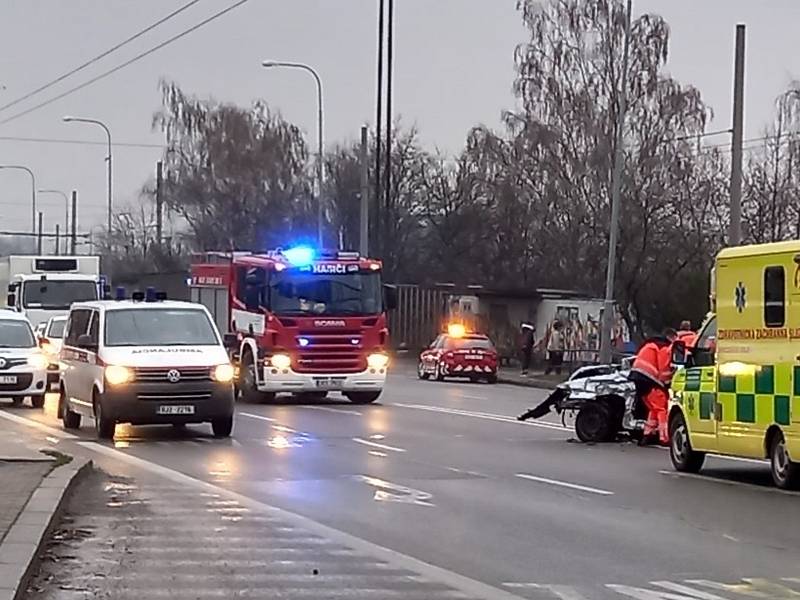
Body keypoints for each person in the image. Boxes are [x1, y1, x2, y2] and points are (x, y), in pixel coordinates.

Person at [628, 328, 677, 445]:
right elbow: (663, 371)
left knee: (654, 408)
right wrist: (672, 376)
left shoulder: (652, 344)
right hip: (650, 379)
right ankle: (664, 437)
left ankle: (647, 434)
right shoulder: (664, 347)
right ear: (671, 337)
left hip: (639, 378)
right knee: (661, 409)